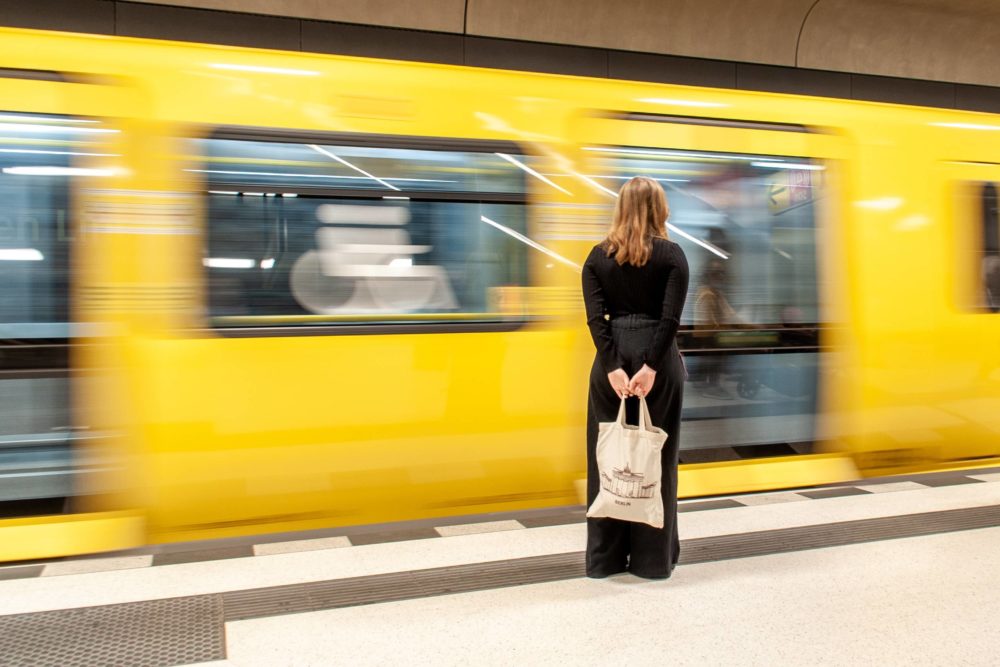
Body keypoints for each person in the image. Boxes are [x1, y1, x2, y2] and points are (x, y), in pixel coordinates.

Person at [581, 176, 689, 579]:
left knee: (606, 459)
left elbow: (596, 319)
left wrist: (612, 366)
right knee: (657, 459)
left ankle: (604, 560)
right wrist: (651, 367)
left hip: (609, 364)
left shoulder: (596, 258)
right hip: (657, 361)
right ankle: (650, 561)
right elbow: (670, 319)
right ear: (659, 209)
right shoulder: (673, 255)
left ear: (621, 208)